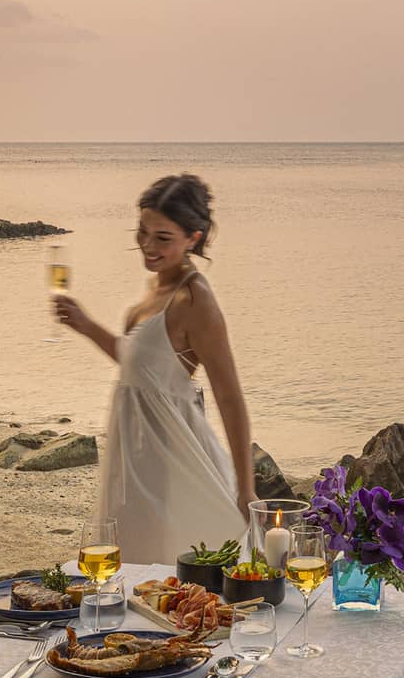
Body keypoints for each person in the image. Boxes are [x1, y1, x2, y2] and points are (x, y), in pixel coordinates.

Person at [53, 174, 255, 564]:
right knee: (130, 570)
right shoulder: (155, 288)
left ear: (193, 238)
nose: (147, 246)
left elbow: (230, 396)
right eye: (142, 232)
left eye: (163, 238)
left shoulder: (195, 299)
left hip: (171, 460)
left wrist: (246, 490)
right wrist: (86, 325)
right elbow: (142, 368)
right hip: (134, 454)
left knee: (167, 572)